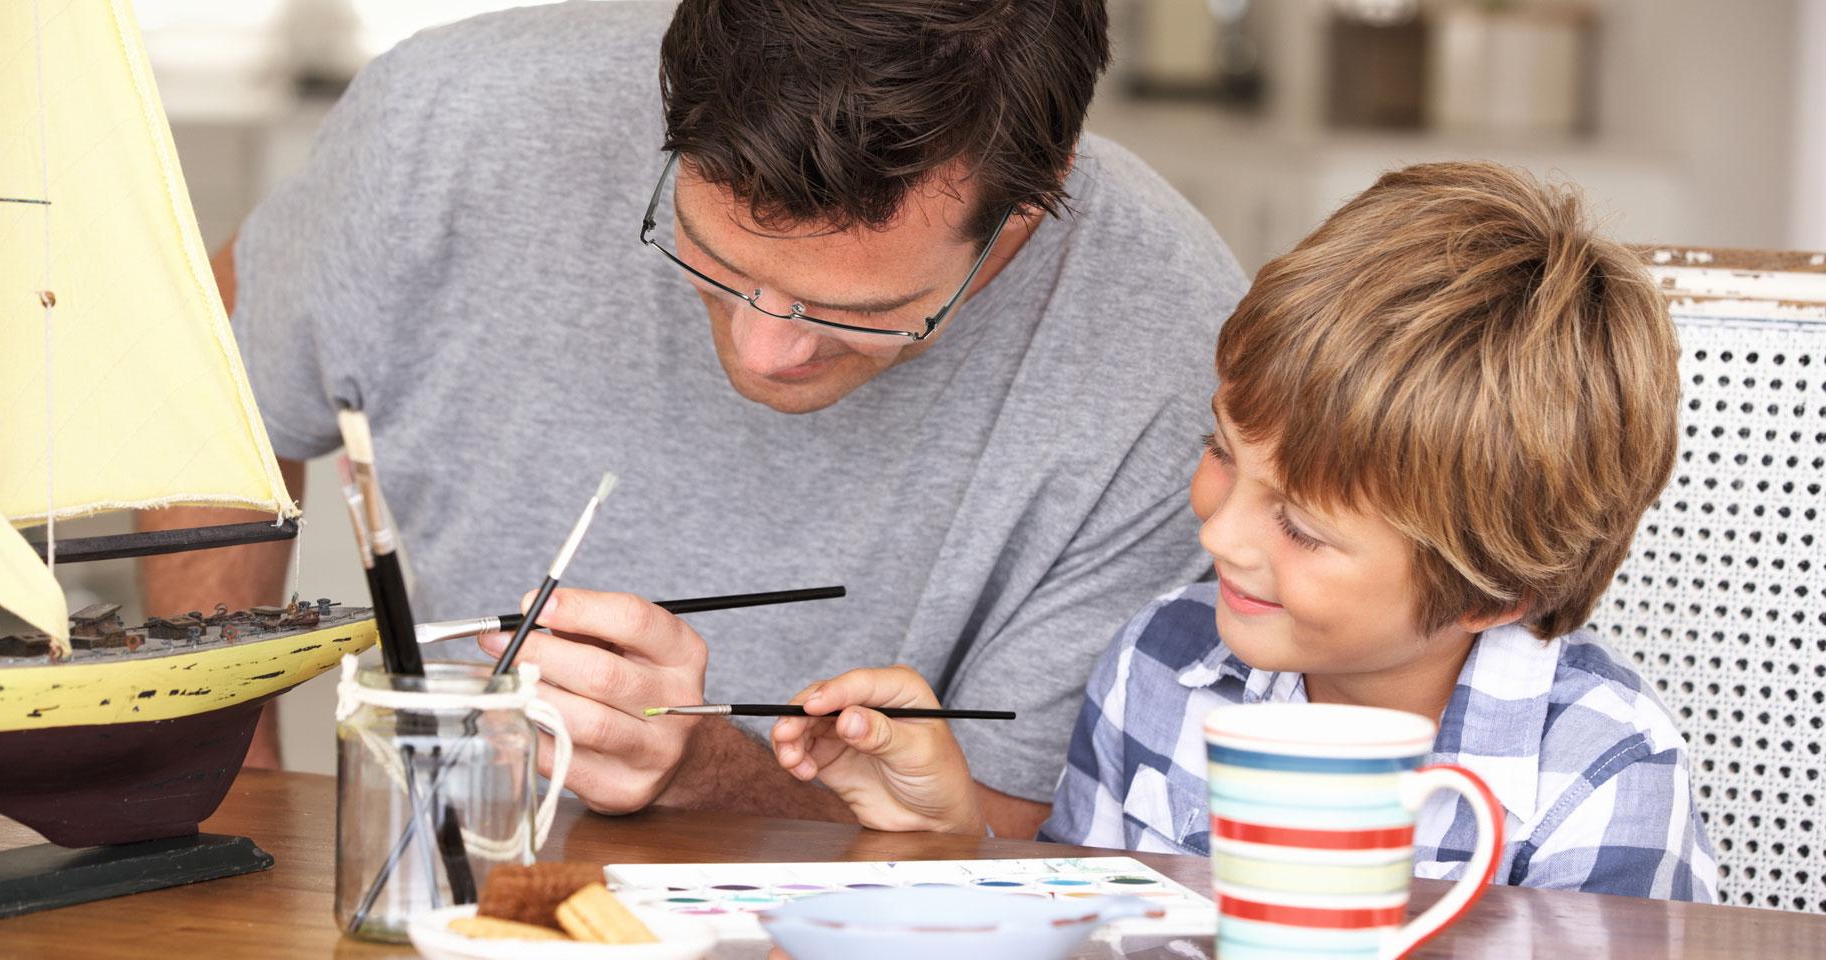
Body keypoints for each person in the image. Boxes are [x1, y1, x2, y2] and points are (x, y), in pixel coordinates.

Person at [138, 0, 1246, 836]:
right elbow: (212, 387)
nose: (763, 350)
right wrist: (229, 792)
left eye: (859, 313)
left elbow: (998, 856)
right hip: (431, 890)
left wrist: (708, 770)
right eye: (710, 262)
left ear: (1032, 208)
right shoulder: (452, 127)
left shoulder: (1169, 360)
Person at [766, 162, 1720, 899]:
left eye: (1301, 526)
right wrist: (948, 831)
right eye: (1221, 452)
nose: (1220, 534)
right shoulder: (1156, 666)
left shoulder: (1602, 774)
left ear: (1491, 592)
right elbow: (1087, 931)